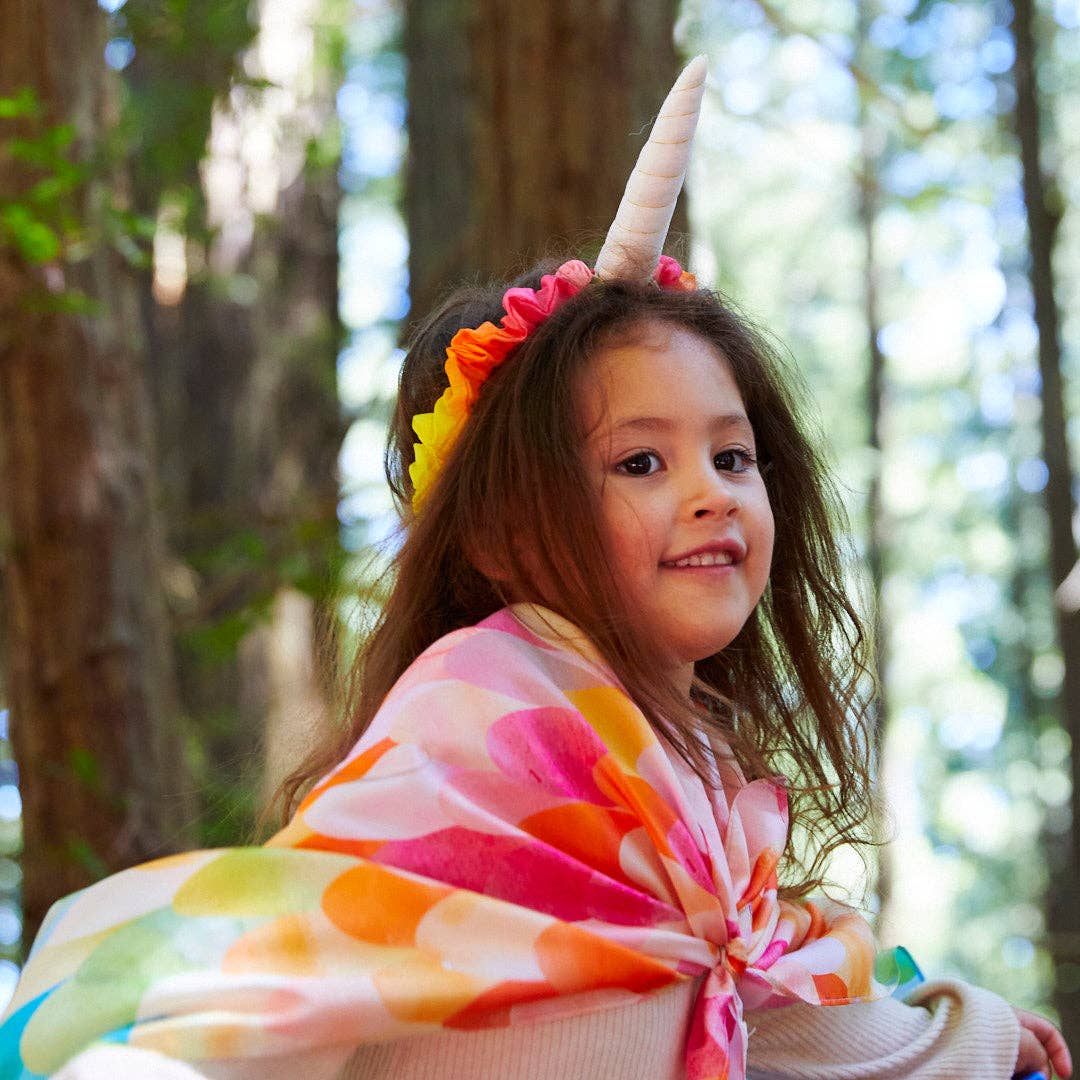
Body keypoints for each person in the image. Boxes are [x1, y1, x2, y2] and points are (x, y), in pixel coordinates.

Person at [0, 58, 1072, 1080]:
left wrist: (973, 1037)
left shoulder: (693, 777)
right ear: (509, 536)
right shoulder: (483, 713)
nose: (712, 492)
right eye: (641, 461)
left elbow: (756, 1012)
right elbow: (310, 957)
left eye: (733, 455)